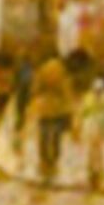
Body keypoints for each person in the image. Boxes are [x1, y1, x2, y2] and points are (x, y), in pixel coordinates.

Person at [32, 49, 74, 182]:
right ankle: (54, 160)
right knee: (56, 135)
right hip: (58, 107)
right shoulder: (62, 71)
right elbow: (66, 91)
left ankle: (44, 161)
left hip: (44, 106)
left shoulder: (42, 70)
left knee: (43, 134)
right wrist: (68, 108)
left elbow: (36, 88)